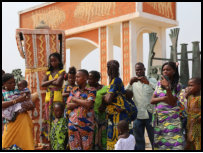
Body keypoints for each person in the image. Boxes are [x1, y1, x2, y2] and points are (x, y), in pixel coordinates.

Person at [100, 60, 137, 150]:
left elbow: (108, 99)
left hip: (118, 115)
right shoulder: (114, 81)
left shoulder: (116, 81)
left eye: (109, 69)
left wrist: (103, 97)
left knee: (118, 138)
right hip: (114, 115)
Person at [151, 61, 184, 150]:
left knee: (175, 144)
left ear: (174, 71)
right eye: (163, 70)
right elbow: (152, 100)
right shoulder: (159, 84)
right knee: (161, 144)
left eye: (168, 70)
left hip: (172, 119)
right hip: (160, 119)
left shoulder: (178, 86)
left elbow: (173, 103)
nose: (165, 71)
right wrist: (162, 99)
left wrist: (167, 88)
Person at [126, 62, 157, 150]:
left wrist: (148, 83)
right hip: (137, 115)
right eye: (137, 70)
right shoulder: (133, 82)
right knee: (139, 141)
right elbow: (124, 94)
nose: (139, 71)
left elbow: (159, 90)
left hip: (150, 114)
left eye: (141, 69)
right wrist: (130, 83)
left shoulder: (152, 80)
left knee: (154, 139)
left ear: (144, 69)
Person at [2, 73, 34, 150]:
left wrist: (30, 105)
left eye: (14, 82)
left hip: (23, 119)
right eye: (10, 83)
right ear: (4, 84)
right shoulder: (3, 93)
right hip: (11, 121)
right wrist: (17, 100)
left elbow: (29, 101)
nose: (13, 84)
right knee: (6, 144)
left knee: (26, 144)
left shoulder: (19, 90)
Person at [67, 69, 96, 150]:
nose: (76, 79)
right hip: (73, 124)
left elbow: (89, 104)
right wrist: (83, 102)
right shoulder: (74, 90)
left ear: (85, 78)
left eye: (78, 77)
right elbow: (68, 105)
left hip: (86, 126)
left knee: (87, 148)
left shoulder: (91, 90)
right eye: (76, 77)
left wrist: (75, 100)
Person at [41, 52, 65, 141]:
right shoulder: (48, 72)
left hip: (57, 100)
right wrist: (54, 80)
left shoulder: (62, 72)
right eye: (51, 61)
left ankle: (58, 138)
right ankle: (49, 140)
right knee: (48, 120)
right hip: (48, 100)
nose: (53, 63)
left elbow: (58, 83)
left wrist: (49, 82)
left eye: (55, 60)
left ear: (59, 61)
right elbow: (42, 84)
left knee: (57, 119)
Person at [88, 70, 108, 150]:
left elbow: (108, 99)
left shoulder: (105, 88)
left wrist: (104, 105)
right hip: (91, 116)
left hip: (102, 116)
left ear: (97, 79)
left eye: (91, 79)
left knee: (102, 135)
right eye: (88, 79)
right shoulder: (87, 89)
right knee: (93, 136)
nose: (89, 81)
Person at [185, 77, 201, 150]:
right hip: (190, 126)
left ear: (199, 85)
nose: (189, 88)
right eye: (188, 85)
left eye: (191, 85)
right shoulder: (190, 97)